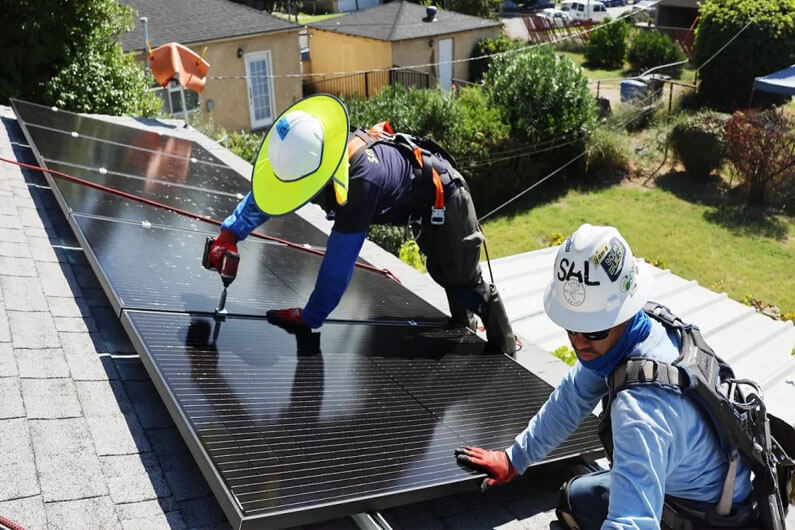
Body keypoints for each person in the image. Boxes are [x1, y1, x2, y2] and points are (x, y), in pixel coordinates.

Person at [455, 223, 756, 529]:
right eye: (570, 328)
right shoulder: (637, 330)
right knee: (577, 497)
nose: (579, 342)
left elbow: (632, 524)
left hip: (709, 517)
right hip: (700, 482)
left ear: (623, 313)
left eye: (593, 329)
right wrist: (513, 459)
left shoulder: (641, 411)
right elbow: (572, 397)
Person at [205, 94, 516, 354]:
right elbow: (270, 195)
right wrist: (230, 233)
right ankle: (463, 328)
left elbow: (338, 268)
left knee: (464, 282)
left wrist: (309, 317)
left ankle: (506, 352)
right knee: (445, 274)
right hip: (424, 204)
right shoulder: (322, 146)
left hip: (447, 199)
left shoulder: (359, 185)